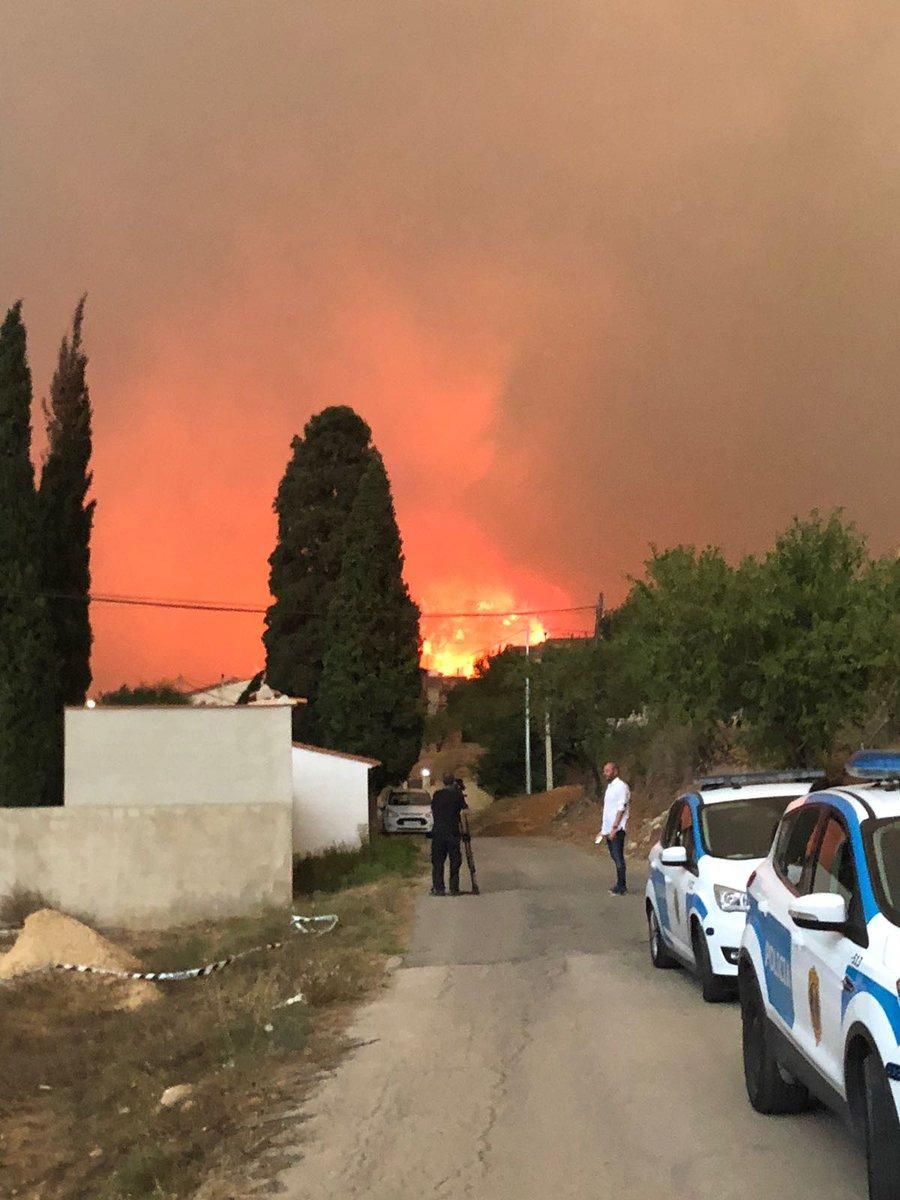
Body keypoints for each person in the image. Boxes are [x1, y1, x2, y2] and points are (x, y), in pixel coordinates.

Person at [430, 773, 468, 896]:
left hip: (438, 832)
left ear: (443, 782)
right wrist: (465, 832)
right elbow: (464, 812)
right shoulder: (457, 795)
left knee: (438, 861)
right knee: (455, 860)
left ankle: (438, 888)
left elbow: (433, 810)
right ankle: (454, 887)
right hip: (452, 832)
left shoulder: (437, 795)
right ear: (453, 782)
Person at [595, 761, 630, 895]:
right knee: (614, 856)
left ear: (615, 771)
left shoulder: (621, 787)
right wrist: (603, 830)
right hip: (609, 829)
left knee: (618, 857)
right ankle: (619, 884)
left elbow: (621, 808)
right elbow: (608, 811)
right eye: (604, 771)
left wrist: (615, 828)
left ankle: (622, 886)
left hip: (617, 829)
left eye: (608, 771)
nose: (605, 774)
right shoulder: (610, 788)